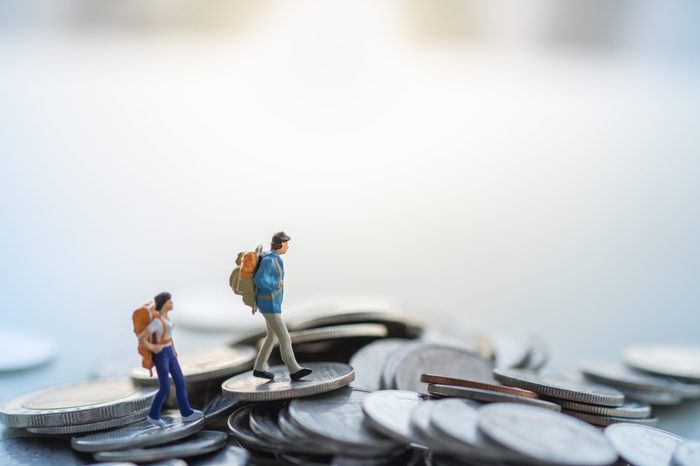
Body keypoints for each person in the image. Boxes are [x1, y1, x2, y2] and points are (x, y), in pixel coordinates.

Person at [137, 292, 204, 427]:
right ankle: (153, 415)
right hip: (161, 354)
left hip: (170, 353)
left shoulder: (166, 318)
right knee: (165, 387)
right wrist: (153, 347)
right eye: (169, 301)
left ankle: (186, 413)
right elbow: (142, 338)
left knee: (180, 381)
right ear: (163, 303)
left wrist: (173, 349)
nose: (172, 303)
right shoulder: (157, 321)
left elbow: (168, 336)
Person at [252, 232, 312, 381]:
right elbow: (259, 280)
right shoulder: (269, 261)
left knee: (271, 337)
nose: (288, 247)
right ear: (280, 245)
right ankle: (293, 369)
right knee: (285, 339)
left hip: (271, 304)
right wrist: (275, 284)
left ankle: (259, 368)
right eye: (286, 244)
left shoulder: (273, 259)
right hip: (269, 305)